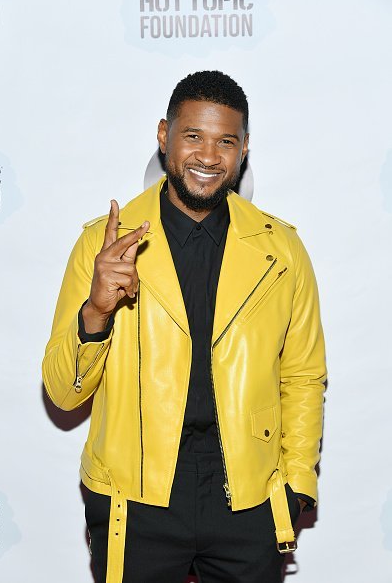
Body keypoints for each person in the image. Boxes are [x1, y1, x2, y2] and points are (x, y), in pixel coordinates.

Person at [42, 70, 326, 583]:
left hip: (248, 496)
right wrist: (96, 312)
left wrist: (296, 481)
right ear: (163, 136)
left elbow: (303, 375)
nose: (209, 156)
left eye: (226, 141)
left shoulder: (280, 251)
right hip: (136, 496)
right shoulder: (103, 246)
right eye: (193, 136)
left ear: (244, 150)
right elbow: (63, 393)